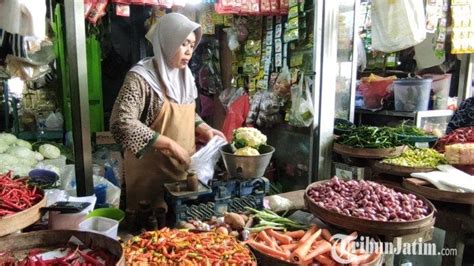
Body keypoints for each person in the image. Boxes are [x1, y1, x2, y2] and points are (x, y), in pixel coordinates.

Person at [110, 13, 225, 213]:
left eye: (192, 45)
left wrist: (203, 128)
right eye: (183, 44)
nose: (189, 51)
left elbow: (188, 113)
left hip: (181, 175)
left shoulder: (185, 76)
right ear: (168, 41)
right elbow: (121, 122)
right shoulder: (141, 78)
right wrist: (170, 145)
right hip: (149, 178)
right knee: (150, 233)